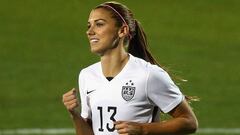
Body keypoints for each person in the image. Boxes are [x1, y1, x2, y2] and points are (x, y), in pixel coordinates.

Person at [62, 1, 198, 135]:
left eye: (99, 24)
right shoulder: (87, 75)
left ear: (122, 30)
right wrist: (75, 115)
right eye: (89, 26)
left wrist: (143, 129)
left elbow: (189, 122)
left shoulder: (148, 75)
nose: (90, 32)